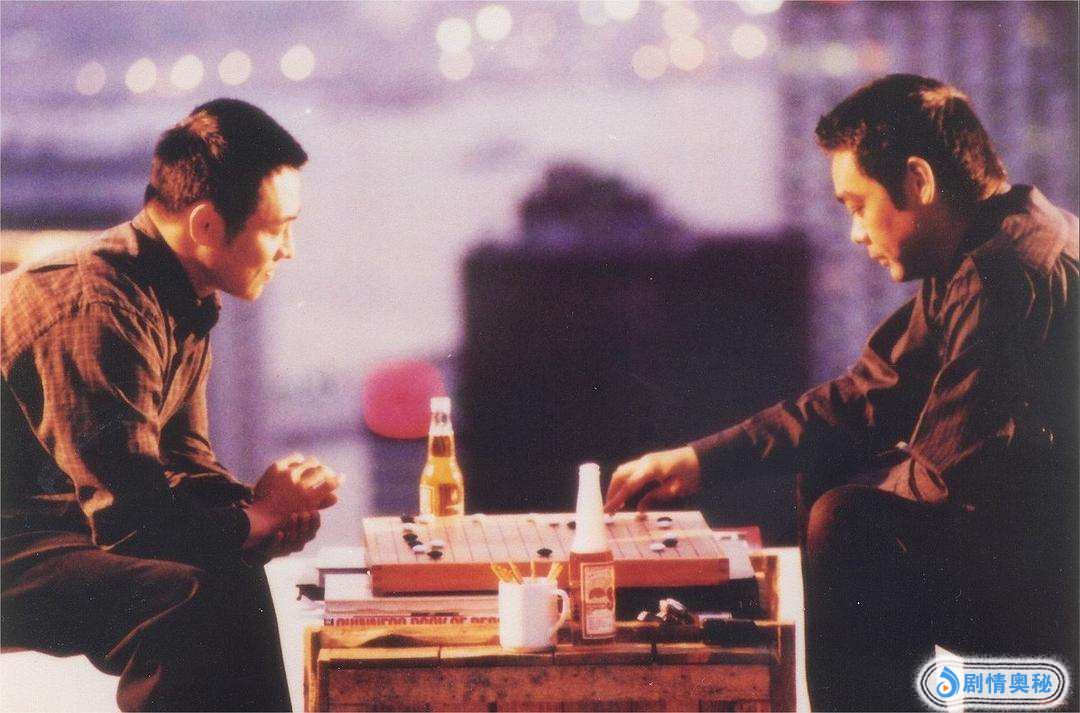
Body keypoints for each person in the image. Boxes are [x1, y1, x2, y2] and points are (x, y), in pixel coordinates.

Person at [605, 74, 1078, 711]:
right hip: (1038, 545)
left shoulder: (1004, 278)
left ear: (918, 181)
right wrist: (700, 460)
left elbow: (953, 476)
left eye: (857, 205)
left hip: (1055, 588)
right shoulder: (993, 245)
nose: (856, 233)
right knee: (835, 472)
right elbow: (867, 397)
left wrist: (838, 502)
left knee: (847, 522)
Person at [1, 99, 342, 711]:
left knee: (231, 575)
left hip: (51, 529)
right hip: (17, 542)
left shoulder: (177, 298)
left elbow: (181, 469)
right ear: (206, 225)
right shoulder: (100, 308)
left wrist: (264, 513)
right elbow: (135, 525)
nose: (288, 250)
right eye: (276, 228)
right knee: (190, 602)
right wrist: (258, 517)